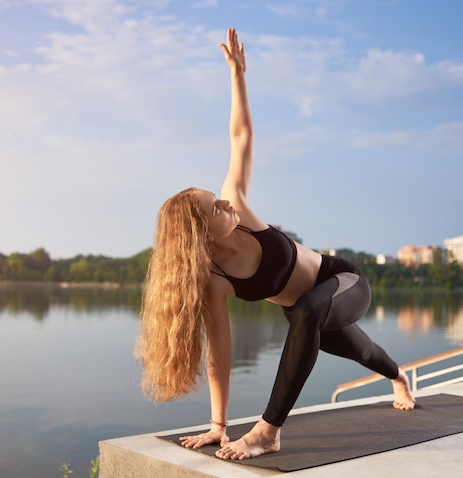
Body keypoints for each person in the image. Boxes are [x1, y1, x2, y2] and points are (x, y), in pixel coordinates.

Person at [135, 28, 416, 461]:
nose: (227, 202)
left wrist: (237, 75)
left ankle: (268, 431)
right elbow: (219, 357)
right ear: (202, 235)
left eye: (222, 199)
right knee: (361, 350)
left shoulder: (240, 210)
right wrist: (218, 427)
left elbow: (241, 137)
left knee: (308, 311)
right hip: (305, 311)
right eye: (217, 208)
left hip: (342, 281)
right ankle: (399, 378)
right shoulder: (213, 279)